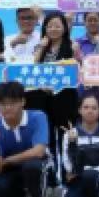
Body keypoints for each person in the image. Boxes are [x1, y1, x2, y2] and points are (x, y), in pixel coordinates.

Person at [29, 11, 81, 143]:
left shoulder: (72, 46)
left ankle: (66, 155)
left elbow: (78, 70)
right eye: (50, 26)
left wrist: (76, 54)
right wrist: (42, 47)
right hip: (43, 96)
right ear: (45, 28)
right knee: (46, 131)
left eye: (57, 26)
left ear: (64, 28)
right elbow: (33, 68)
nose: (53, 29)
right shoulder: (40, 46)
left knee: (65, 132)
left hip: (65, 96)